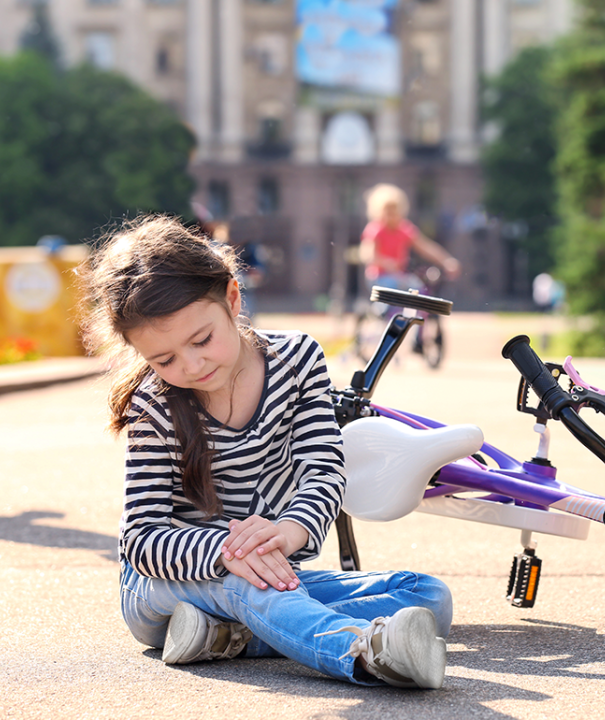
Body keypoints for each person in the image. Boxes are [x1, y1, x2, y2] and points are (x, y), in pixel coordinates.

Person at [77, 215, 452, 689]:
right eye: (164, 359)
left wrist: (287, 532)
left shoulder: (298, 361)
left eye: (202, 340)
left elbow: (324, 471)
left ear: (232, 299)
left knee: (425, 595)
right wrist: (225, 551)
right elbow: (142, 539)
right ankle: (364, 651)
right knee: (245, 584)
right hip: (161, 588)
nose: (191, 366)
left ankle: (227, 636)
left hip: (269, 573)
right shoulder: (153, 404)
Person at [359, 183, 461, 291]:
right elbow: (366, 253)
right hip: (380, 277)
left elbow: (425, 247)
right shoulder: (375, 229)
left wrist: (446, 260)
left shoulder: (404, 229)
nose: (392, 217)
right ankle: (386, 308)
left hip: (399, 276)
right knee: (393, 288)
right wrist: (386, 263)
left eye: (395, 213)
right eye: (388, 213)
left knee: (419, 290)